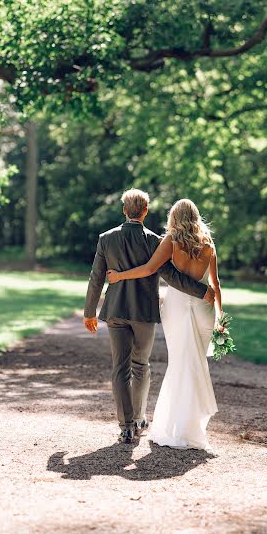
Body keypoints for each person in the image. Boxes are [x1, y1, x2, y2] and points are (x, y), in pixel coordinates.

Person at [83, 189, 215, 445]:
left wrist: (90, 312)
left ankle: (126, 427)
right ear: (145, 211)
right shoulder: (155, 240)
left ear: (124, 210)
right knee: (140, 366)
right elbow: (172, 277)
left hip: (116, 311)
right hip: (144, 312)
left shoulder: (106, 239)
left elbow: (96, 277)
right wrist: (203, 290)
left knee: (119, 368)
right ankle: (140, 417)